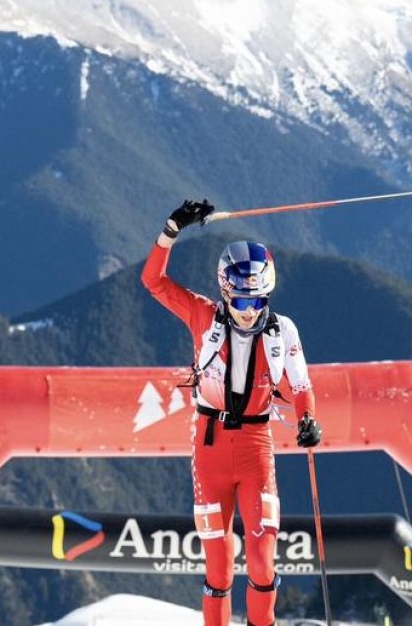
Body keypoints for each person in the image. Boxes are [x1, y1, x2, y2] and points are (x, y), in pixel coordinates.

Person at [141, 199, 323, 626]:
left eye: (259, 301)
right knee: (219, 567)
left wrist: (308, 419)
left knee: (261, 562)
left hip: (257, 446)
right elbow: (153, 281)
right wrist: (171, 229)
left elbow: (301, 386)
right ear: (225, 294)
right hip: (210, 445)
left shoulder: (282, 330)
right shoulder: (203, 316)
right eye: (241, 302)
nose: (250, 312)